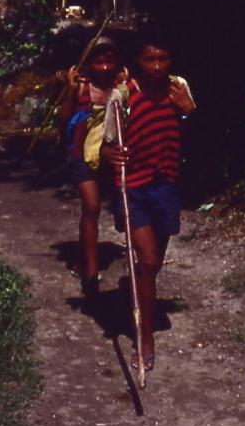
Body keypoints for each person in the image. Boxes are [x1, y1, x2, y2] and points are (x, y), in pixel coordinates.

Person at [101, 33, 196, 371]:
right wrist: (110, 154)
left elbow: (192, 137)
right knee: (150, 258)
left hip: (166, 184)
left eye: (162, 59)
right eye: (149, 59)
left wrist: (189, 113)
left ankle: (141, 299)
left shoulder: (178, 89)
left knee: (151, 267)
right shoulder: (123, 95)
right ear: (137, 62)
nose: (156, 67)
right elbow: (106, 143)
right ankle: (144, 337)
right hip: (134, 188)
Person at [57, 36, 126, 297]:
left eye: (109, 62)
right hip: (81, 155)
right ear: (89, 64)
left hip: (110, 156)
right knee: (92, 205)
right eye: (99, 62)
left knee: (122, 207)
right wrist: (70, 91)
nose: (105, 68)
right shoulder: (81, 87)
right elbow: (63, 120)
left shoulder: (121, 87)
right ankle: (90, 270)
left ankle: (87, 258)